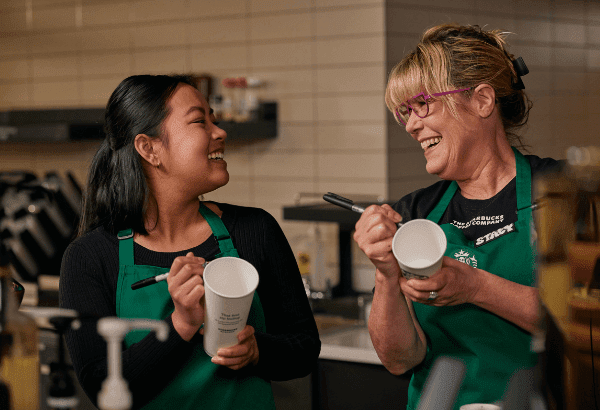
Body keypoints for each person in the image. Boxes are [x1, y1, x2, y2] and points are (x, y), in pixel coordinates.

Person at [59, 74, 321, 410]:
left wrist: (259, 351)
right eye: (200, 121)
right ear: (149, 149)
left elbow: (303, 348)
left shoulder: (255, 230)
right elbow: (101, 387)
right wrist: (181, 325)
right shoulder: (90, 257)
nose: (220, 131)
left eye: (214, 118)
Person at [353, 24, 562, 409]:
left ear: (482, 100)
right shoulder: (414, 213)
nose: (412, 125)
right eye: (405, 112)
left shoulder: (561, 193)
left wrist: (475, 287)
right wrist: (385, 273)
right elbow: (399, 359)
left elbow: (589, 329)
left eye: (423, 105)